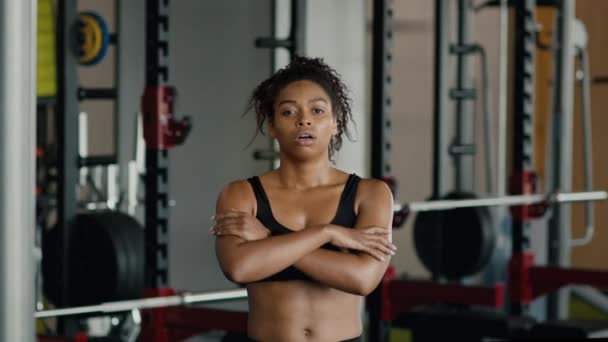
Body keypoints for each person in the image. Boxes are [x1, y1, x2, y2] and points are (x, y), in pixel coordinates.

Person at [212, 56, 395, 342]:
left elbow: (362, 279)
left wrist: (269, 237)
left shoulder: (370, 193)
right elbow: (240, 267)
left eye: (317, 110)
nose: (304, 120)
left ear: (335, 122)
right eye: (288, 112)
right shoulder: (240, 194)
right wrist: (328, 233)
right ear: (272, 125)